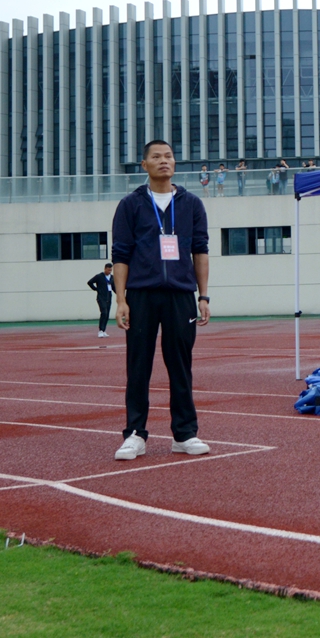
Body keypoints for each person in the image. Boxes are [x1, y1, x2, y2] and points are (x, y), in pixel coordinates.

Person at [111, 139, 211, 461]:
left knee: (181, 367)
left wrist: (203, 295)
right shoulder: (131, 204)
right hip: (141, 294)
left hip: (181, 295)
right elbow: (121, 255)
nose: (164, 161)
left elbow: (201, 250)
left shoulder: (191, 204)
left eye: (168, 156)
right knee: (137, 367)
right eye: (156, 157)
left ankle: (184, 434)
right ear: (145, 165)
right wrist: (121, 300)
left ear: (174, 163)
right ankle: (135, 435)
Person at [87, 261, 115, 337]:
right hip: (101, 297)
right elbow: (89, 282)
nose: (109, 271)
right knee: (104, 312)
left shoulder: (112, 278)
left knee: (107, 314)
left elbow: (113, 287)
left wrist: (119, 294)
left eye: (111, 270)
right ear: (105, 269)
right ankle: (100, 330)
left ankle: (104, 330)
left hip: (109, 296)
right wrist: (96, 289)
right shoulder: (99, 276)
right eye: (108, 270)